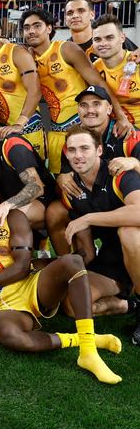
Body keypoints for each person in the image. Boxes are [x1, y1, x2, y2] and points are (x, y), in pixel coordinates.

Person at [0, 168, 122, 384]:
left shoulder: (12, 216)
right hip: (2, 295)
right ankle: (75, 339)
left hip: (29, 280)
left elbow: (23, 266)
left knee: (73, 261)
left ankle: (89, 352)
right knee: (11, 337)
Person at [21, 8, 129, 174]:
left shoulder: (66, 49)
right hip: (56, 132)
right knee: (63, 185)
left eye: (37, 26)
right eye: (27, 28)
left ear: (49, 28)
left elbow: (98, 83)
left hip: (84, 128)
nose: (31, 31)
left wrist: (121, 116)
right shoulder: (26, 57)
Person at [61, 125, 140, 345]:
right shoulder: (72, 190)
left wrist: (87, 218)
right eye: (72, 150)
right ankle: (129, 304)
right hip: (113, 256)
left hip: (137, 245)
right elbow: (87, 252)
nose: (78, 155)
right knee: (73, 304)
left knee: (129, 232)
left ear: (99, 150)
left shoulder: (119, 174)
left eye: (85, 148)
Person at [46, 85, 140, 255]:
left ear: (109, 108)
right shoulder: (73, 141)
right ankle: (69, 265)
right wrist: (61, 178)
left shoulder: (129, 135)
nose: (90, 110)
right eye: (84, 105)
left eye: (96, 104)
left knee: (128, 231)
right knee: (55, 211)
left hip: (129, 202)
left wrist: (135, 162)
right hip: (96, 200)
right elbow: (66, 177)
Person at [0, 94, 55, 230]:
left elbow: (36, 187)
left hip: (41, 202)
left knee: (8, 219)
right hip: (9, 203)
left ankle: (38, 249)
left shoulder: (12, 144)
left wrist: (6, 205)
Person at [0, 13, 46, 159]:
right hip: (1, 131)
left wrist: (19, 124)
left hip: (27, 127)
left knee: (36, 177)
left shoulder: (17, 52)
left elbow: (35, 90)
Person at [92, 14, 140, 126]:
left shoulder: (137, 62)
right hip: (113, 135)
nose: (103, 43)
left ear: (122, 38)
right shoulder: (93, 69)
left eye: (109, 38)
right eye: (97, 39)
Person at [65, 0, 137, 63]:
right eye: (70, 13)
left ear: (92, 15)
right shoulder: (63, 50)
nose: (75, 16)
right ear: (65, 19)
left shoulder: (114, 39)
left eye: (81, 11)